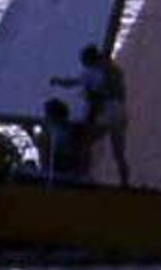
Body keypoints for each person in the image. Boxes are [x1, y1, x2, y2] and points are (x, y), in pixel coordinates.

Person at [55, 44, 129, 188]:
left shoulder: (93, 72)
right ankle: (124, 182)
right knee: (118, 151)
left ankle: (84, 177)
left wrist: (58, 81)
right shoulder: (114, 70)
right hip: (119, 111)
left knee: (86, 143)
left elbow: (73, 83)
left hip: (106, 111)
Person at [33, 98, 85, 181]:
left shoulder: (63, 134)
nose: (45, 117)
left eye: (48, 114)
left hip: (62, 176)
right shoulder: (47, 131)